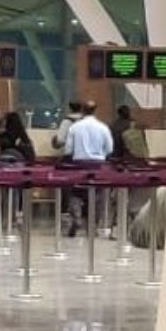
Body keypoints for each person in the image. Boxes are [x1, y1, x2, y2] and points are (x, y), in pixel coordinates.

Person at [62, 101, 113, 236]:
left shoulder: (75, 127)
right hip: (98, 165)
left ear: (83, 111)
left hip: (79, 164)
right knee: (98, 195)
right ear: (95, 111)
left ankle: (77, 218)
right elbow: (109, 149)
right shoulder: (103, 127)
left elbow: (68, 150)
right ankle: (93, 225)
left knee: (75, 193)